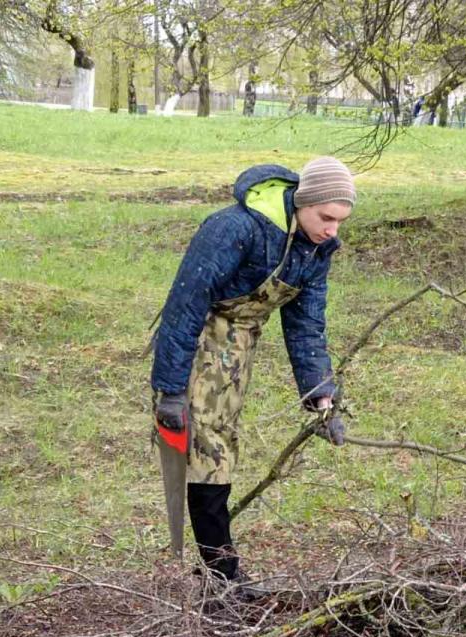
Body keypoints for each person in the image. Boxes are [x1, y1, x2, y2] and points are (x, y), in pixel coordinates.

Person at [149, 157, 355, 589]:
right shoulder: (235, 229)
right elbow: (185, 303)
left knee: (222, 443)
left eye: (340, 220)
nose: (332, 229)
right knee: (208, 452)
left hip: (241, 343)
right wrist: (170, 389)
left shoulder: (315, 250)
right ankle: (222, 577)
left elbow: (306, 326)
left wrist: (322, 398)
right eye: (326, 217)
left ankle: (219, 569)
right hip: (198, 336)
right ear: (303, 202)